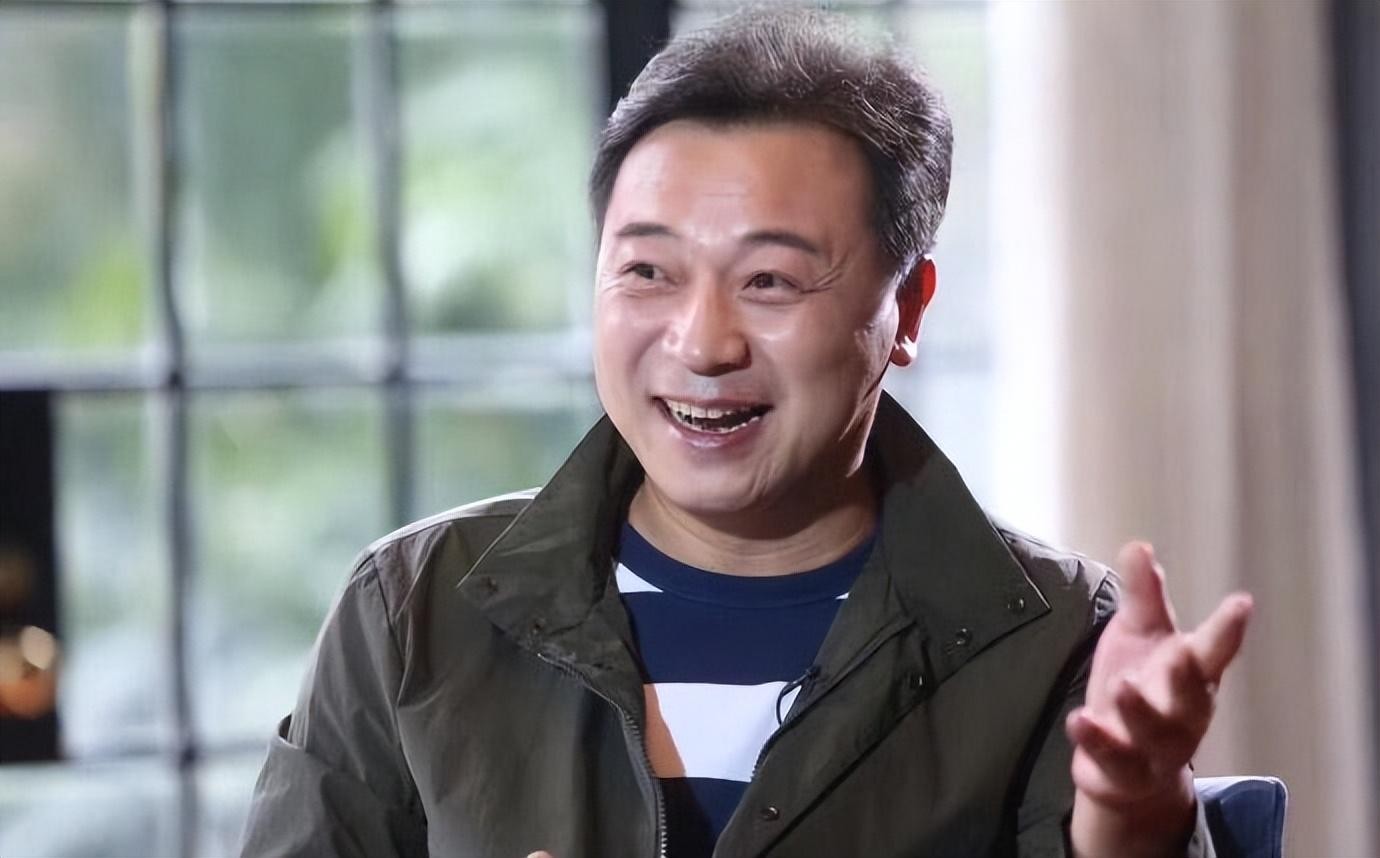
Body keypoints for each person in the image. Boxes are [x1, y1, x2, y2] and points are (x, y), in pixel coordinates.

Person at [241, 9, 1252, 857]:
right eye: (648, 271)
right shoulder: (413, 610)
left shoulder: (1051, 637)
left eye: (769, 280)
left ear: (910, 309)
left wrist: (1134, 818)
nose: (701, 341)